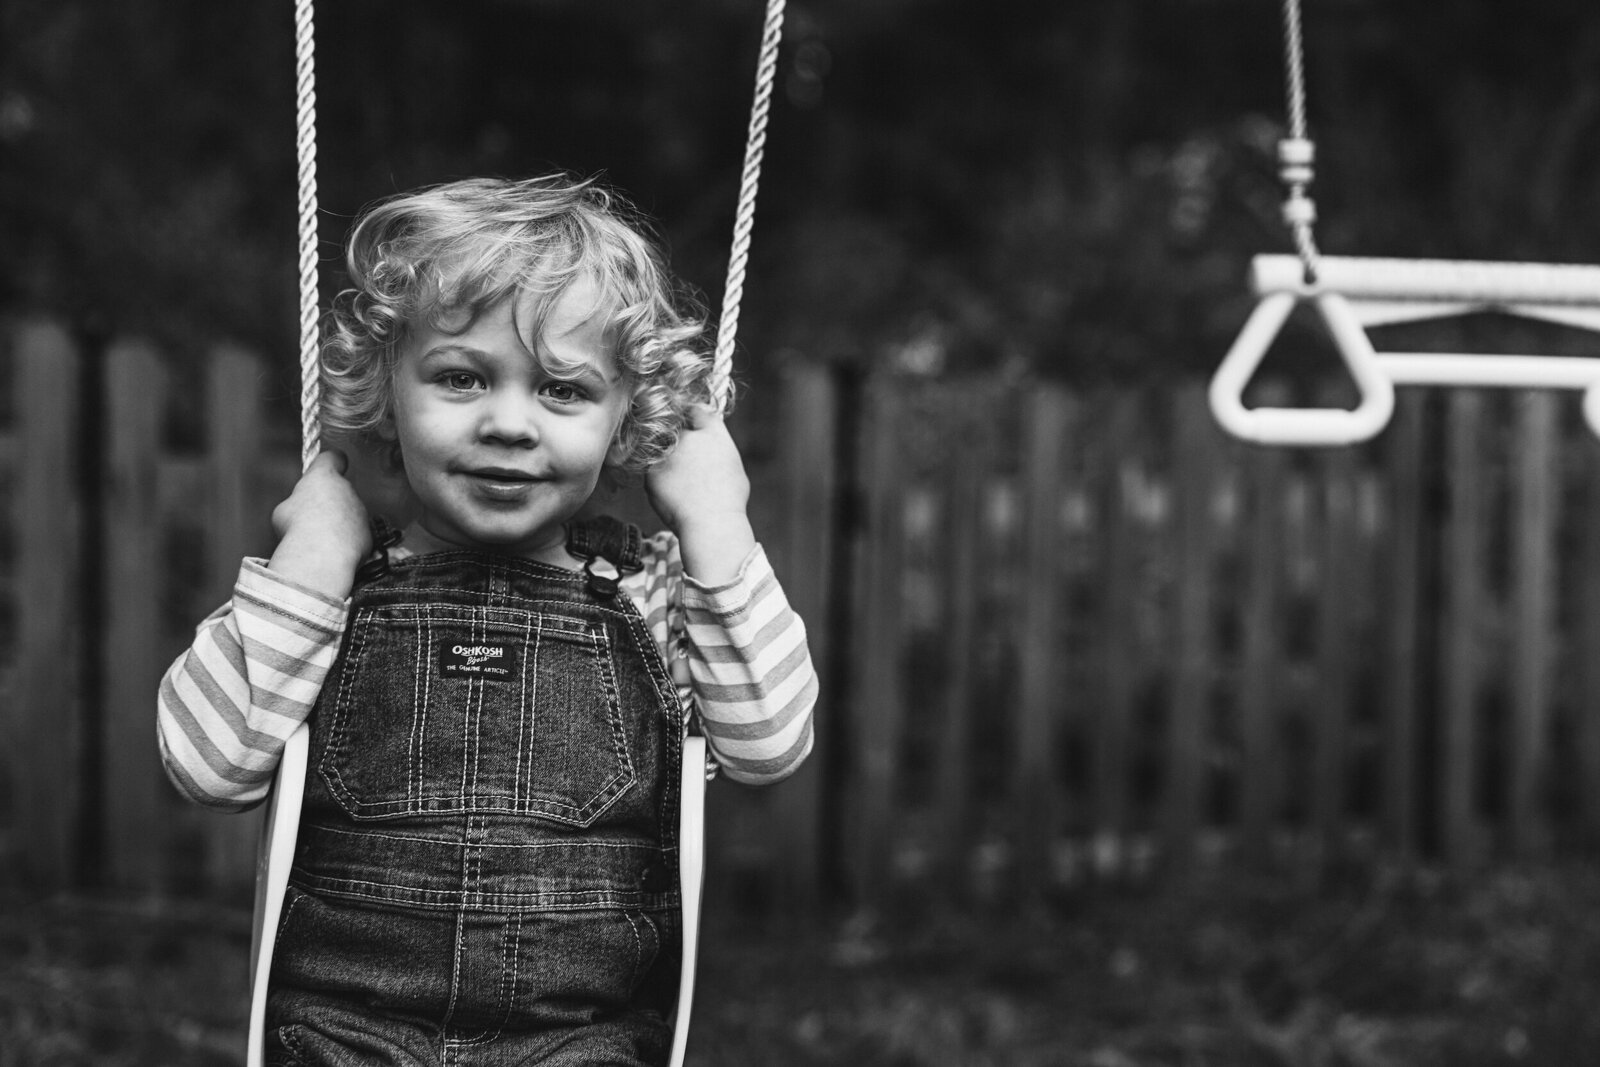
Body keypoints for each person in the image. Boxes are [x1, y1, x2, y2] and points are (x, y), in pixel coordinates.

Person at [157, 174, 816, 1066]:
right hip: (342, 1033)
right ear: (389, 396)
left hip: (577, 1039)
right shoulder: (335, 586)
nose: (509, 423)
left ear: (631, 416)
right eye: (462, 378)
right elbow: (210, 763)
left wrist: (716, 522)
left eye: (564, 391)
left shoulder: (656, 591)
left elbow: (769, 740)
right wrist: (314, 547)